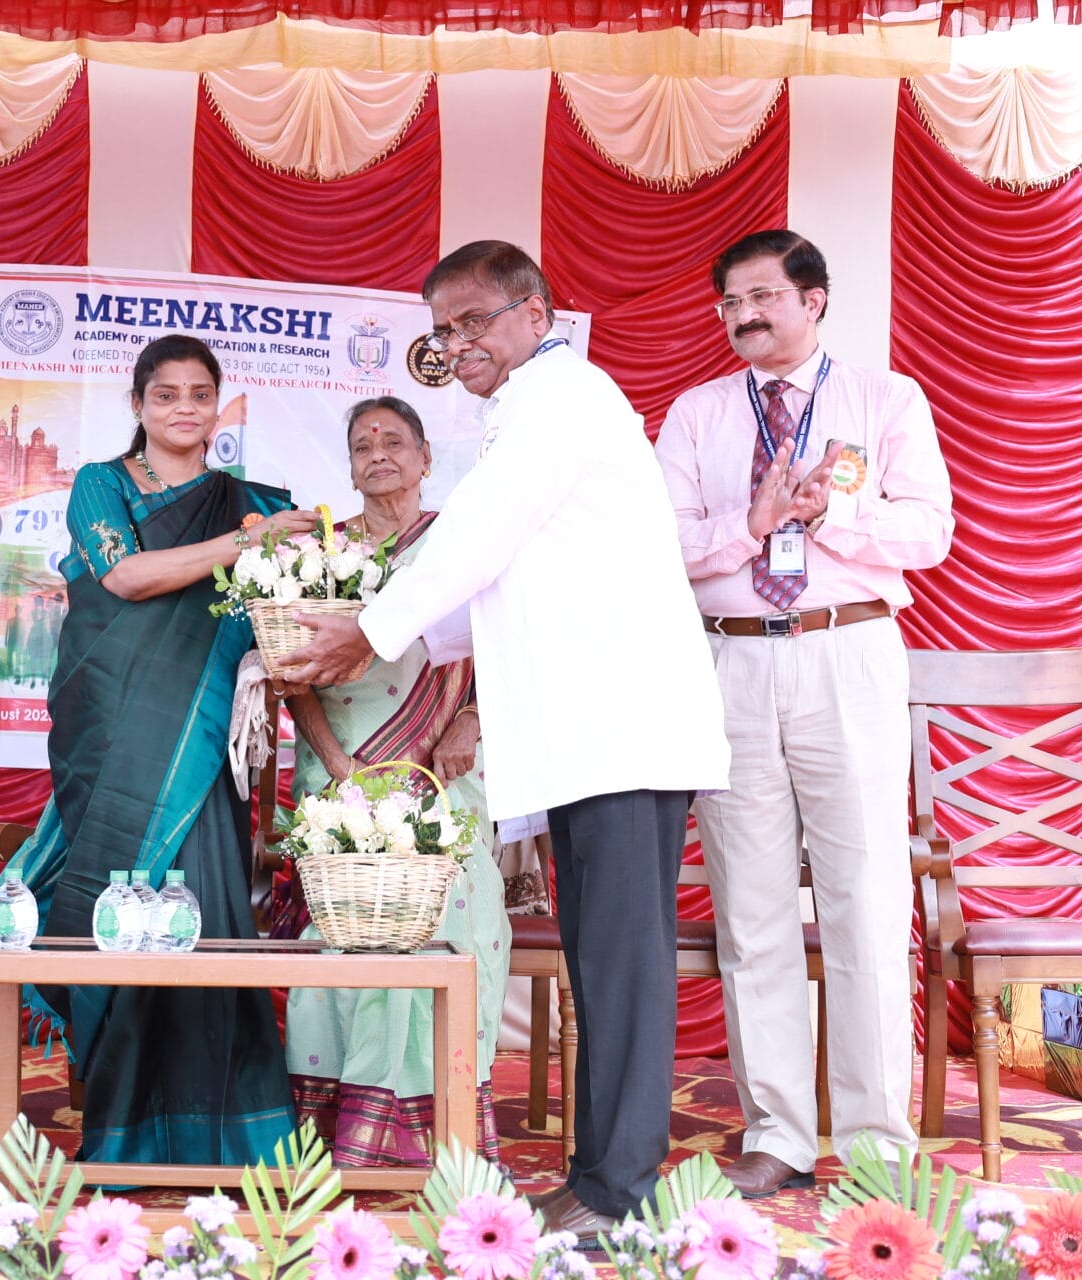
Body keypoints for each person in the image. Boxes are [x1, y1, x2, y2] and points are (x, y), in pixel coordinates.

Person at [281, 241, 729, 1236]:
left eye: (474, 320)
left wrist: (369, 631)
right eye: (443, 330)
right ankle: (601, 1177)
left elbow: (476, 536)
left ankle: (621, 1188)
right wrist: (378, 635)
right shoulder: (523, 408)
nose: (456, 344)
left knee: (620, 964)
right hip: (591, 734)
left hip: (621, 729)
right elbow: (490, 580)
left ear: (537, 313)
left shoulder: (560, 398)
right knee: (598, 960)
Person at [0, 334, 319, 1165]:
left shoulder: (249, 500)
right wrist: (247, 545)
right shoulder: (101, 484)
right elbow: (125, 577)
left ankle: (228, 1133)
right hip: (108, 721)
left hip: (199, 733)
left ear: (218, 406)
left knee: (205, 904)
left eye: (200, 394)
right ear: (139, 404)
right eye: (166, 394)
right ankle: (123, 1127)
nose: (184, 408)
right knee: (117, 900)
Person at [654, 229, 952, 1196]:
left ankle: (876, 1145)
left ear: (813, 300)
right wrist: (749, 525)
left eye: (762, 297)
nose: (742, 316)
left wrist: (830, 515)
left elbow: (931, 531)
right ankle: (776, 1134)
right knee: (752, 913)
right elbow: (660, 545)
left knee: (868, 903)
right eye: (729, 303)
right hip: (731, 663)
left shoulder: (883, 399)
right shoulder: (698, 413)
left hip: (846, 653)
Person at [274, 398, 509, 1167]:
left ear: (425, 458)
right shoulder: (320, 554)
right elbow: (293, 672)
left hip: (444, 770)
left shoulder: (460, 546)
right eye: (362, 445)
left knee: (455, 924)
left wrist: (469, 723)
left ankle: (440, 1129)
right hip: (339, 771)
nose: (378, 455)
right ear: (348, 466)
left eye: (395, 442)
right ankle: (346, 1131)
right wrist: (341, 768)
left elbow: (509, 646)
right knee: (342, 935)